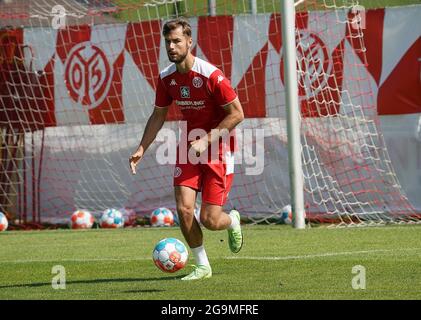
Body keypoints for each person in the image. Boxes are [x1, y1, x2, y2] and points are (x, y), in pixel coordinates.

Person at [129, 18, 244, 281]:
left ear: (189, 42)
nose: (171, 46)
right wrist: (141, 148)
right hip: (189, 147)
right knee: (184, 210)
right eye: (167, 41)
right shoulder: (166, 77)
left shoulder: (211, 75)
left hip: (218, 148)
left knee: (211, 219)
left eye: (177, 41)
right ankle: (202, 265)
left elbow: (238, 114)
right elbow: (158, 116)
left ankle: (232, 221)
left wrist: (207, 140)